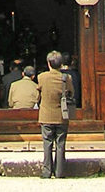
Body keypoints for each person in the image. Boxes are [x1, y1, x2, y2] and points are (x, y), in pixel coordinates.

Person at [37, 50, 73, 179]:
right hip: (61, 115)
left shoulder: (42, 77)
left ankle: (46, 171)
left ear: (48, 63)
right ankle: (60, 172)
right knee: (60, 143)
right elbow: (71, 94)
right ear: (61, 64)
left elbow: (39, 94)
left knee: (47, 143)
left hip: (46, 114)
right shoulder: (66, 78)